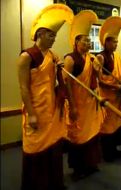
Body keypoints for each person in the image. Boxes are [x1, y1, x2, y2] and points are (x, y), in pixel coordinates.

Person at [17, 4, 73, 190]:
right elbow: (24, 88)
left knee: (53, 148)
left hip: (51, 109)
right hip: (36, 109)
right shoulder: (27, 57)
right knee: (35, 148)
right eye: (51, 36)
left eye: (55, 36)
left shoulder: (52, 55)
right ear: (40, 34)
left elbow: (56, 82)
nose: (53, 40)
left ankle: (53, 183)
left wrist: (60, 70)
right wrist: (31, 114)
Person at [63, 10, 103, 180]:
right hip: (77, 103)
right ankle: (78, 169)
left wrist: (97, 70)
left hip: (90, 103)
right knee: (78, 137)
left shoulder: (91, 59)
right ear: (76, 41)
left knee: (92, 134)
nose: (88, 42)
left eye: (89, 40)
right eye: (85, 40)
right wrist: (72, 106)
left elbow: (98, 79)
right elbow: (66, 84)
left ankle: (90, 164)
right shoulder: (70, 59)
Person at [96, 16, 121, 162]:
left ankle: (114, 149)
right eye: (113, 41)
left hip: (117, 97)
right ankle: (106, 153)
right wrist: (116, 86)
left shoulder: (116, 56)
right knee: (107, 126)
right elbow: (100, 81)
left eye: (117, 41)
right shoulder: (100, 58)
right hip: (106, 98)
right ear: (106, 42)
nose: (116, 44)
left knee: (115, 125)